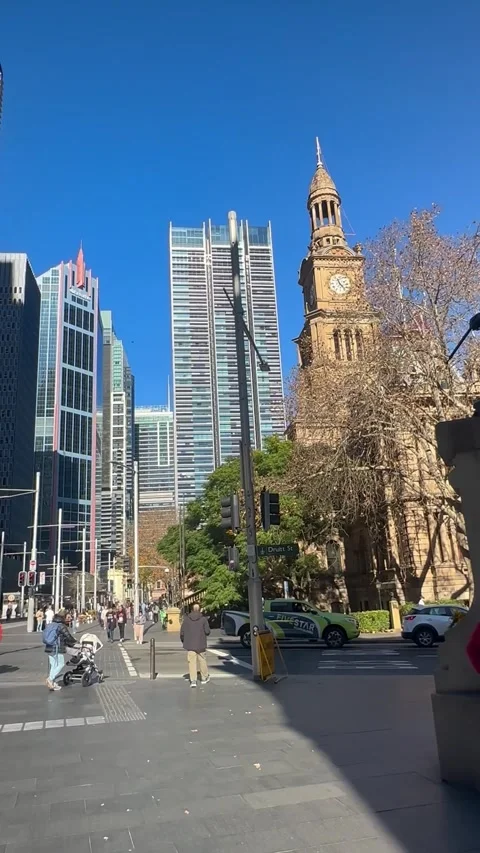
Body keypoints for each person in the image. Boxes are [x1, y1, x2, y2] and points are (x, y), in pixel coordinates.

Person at [43, 609, 78, 691]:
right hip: (57, 648)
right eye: (67, 617)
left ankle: (53, 683)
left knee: (54, 665)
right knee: (60, 664)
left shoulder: (51, 624)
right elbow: (68, 636)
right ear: (63, 617)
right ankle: (50, 679)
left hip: (49, 647)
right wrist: (75, 641)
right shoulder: (61, 626)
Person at [180, 603, 211, 688]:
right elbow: (207, 631)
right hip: (201, 644)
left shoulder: (186, 619)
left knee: (192, 662)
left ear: (192, 609)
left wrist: (184, 641)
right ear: (200, 609)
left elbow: (182, 633)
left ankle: (193, 680)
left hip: (190, 644)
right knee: (202, 660)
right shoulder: (203, 619)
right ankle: (204, 677)